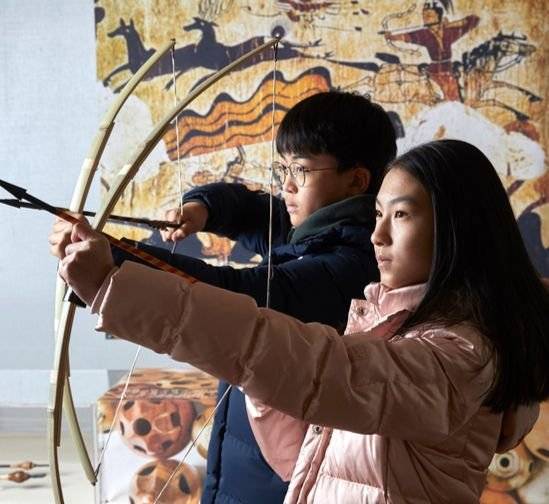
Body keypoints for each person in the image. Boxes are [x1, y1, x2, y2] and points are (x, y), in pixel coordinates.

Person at [56, 139, 549, 503]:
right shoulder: (390, 322)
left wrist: (114, 276)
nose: (377, 235)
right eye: (377, 214)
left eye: (400, 215)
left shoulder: (460, 355)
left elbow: (321, 368)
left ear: (458, 229)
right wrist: (268, 391)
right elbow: (309, 461)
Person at [49, 91, 397, 503]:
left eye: (300, 170)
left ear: (356, 181)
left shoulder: (353, 262)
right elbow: (248, 207)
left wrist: (110, 261)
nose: (286, 184)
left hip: (284, 474)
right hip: (246, 454)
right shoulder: (310, 231)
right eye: (283, 168)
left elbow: (232, 295)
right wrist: (201, 208)